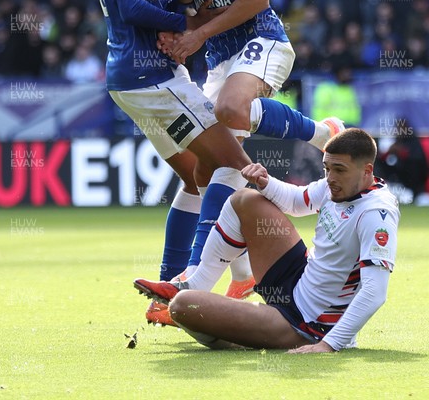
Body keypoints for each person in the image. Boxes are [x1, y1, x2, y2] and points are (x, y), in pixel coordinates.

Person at [83, 0, 255, 325]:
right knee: (237, 168)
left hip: (128, 78)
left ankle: (169, 295)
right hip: (153, 76)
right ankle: (208, 282)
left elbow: (127, 4)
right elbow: (134, 7)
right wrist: (186, 18)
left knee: (195, 177)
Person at [158, 0, 344, 281]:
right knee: (200, 168)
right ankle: (229, 274)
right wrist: (184, 5)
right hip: (221, 60)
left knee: (228, 111)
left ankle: (320, 134)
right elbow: (197, 9)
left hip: (264, 40)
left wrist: (197, 35)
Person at [134, 128, 400, 352]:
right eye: (326, 168)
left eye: (339, 170)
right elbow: (297, 202)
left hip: (305, 324)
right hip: (297, 279)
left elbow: (374, 292)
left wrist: (329, 345)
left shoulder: (376, 213)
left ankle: (238, 336)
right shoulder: (337, 185)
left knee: (183, 307)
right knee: (244, 199)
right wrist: (264, 181)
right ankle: (195, 282)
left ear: (367, 171)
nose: (330, 178)